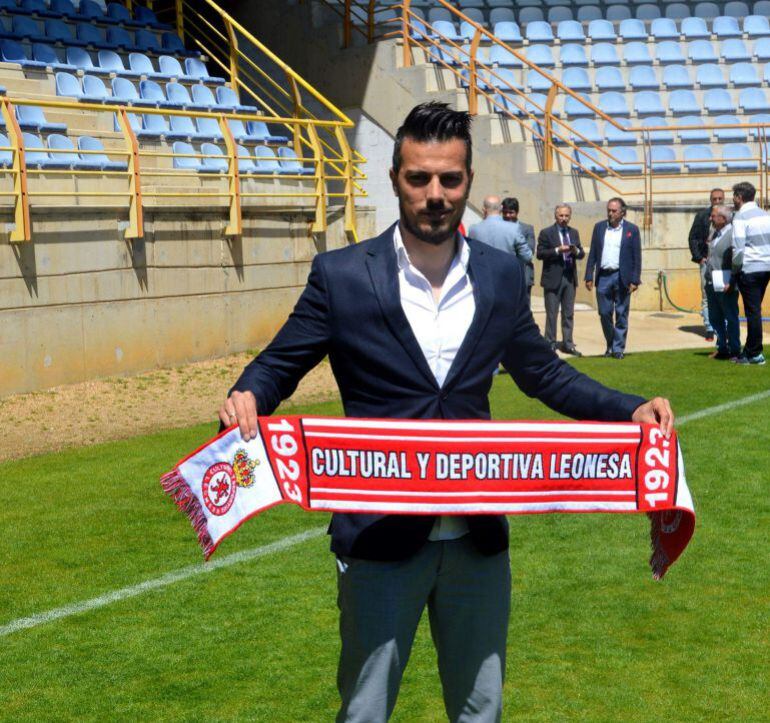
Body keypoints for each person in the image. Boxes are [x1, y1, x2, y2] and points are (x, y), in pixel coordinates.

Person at [219, 102, 674, 723]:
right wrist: (248, 394)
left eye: (450, 180)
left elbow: (543, 374)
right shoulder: (342, 275)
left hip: (477, 542)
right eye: (419, 179)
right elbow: (279, 364)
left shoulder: (500, 277)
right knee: (363, 712)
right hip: (379, 536)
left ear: (469, 182)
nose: (435, 194)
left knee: (480, 712)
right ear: (396, 179)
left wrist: (630, 411)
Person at [584, 197, 642, 360]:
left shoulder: (632, 230)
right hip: (603, 276)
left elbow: (637, 256)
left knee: (621, 313)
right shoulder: (599, 227)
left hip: (622, 276)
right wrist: (589, 275)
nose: (610, 213)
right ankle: (610, 343)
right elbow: (594, 253)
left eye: (614, 210)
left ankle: (617, 349)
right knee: (604, 313)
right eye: (609, 210)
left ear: (622, 212)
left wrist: (635, 279)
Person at [536, 204, 585, 356]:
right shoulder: (547, 233)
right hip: (553, 278)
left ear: (570, 216)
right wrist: (558, 250)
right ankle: (550, 343)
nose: (564, 219)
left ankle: (567, 343)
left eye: (566, 216)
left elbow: (581, 253)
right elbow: (540, 253)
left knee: (568, 313)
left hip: (569, 277)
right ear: (555, 216)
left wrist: (575, 250)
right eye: (561, 216)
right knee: (552, 313)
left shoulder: (574, 233)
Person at [731, 181, 770, 365]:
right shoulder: (765, 215)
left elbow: (738, 250)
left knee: (752, 312)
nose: (733, 199)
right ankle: (749, 350)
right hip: (766, 268)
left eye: (734, 196)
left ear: (739, 197)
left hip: (749, 269)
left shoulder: (740, 217)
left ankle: (755, 353)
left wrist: (735, 270)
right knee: (754, 310)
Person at [704, 205, 741, 360]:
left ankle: (735, 349)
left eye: (713, 216)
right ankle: (722, 348)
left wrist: (732, 281)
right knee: (715, 317)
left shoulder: (733, 234)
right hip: (712, 282)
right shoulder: (714, 233)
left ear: (723, 218)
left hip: (726, 283)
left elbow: (737, 259)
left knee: (730, 316)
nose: (710, 218)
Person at [688, 188, 724, 342]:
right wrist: (699, 258)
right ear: (710, 200)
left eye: (719, 198)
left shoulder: (730, 216)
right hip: (706, 261)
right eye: (714, 199)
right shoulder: (702, 216)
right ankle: (709, 328)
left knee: (723, 295)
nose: (717, 201)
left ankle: (724, 327)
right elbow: (693, 238)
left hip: (723, 264)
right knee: (706, 295)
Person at [468, 195, 532, 270]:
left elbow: (471, 254)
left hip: (483, 275)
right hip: (506, 275)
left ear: (483, 209)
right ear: (501, 208)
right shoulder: (514, 228)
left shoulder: (473, 229)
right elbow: (527, 257)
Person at [502, 197, 536, 299]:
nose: (508, 216)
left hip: (523, 273)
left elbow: (530, 251)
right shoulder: (498, 228)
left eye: (511, 212)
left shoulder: (527, 229)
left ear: (517, 212)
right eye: (505, 212)